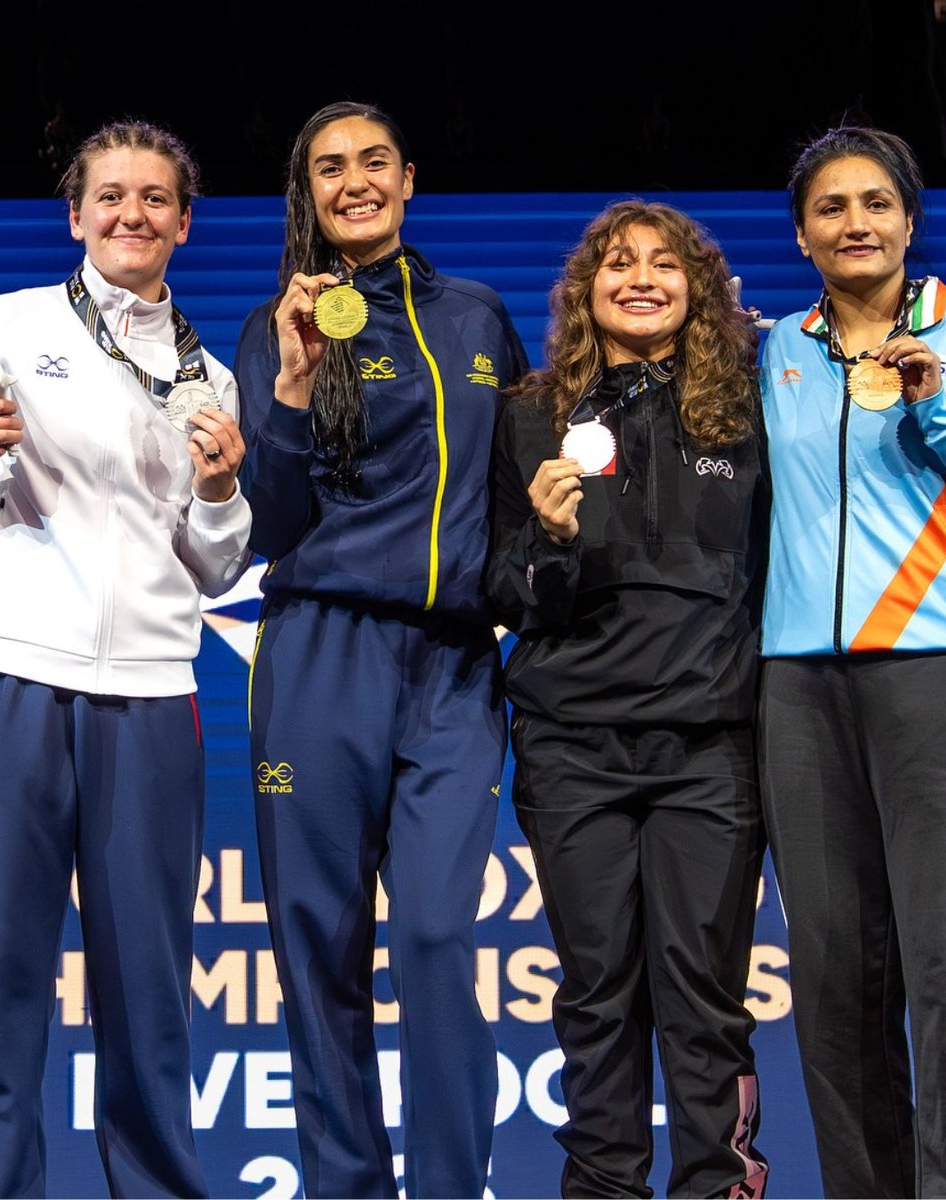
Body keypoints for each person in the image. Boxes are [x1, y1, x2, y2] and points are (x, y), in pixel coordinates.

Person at [234, 100, 528, 1199]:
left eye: (370, 162)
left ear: (408, 176)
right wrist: (297, 383)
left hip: (454, 672)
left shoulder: (480, 316)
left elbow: (513, 492)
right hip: (317, 660)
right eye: (326, 169)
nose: (352, 182)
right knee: (319, 957)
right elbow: (264, 522)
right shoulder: (280, 326)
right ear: (306, 195)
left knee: (443, 943)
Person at [0, 119, 251, 1198]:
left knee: (147, 986)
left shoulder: (212, 377)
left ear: (183, 224)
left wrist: (226, 488)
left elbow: (218, 568)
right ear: (76, 215)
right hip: (19, 676)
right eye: (111, 195)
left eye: (155, 198)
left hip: (150, 694)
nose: (131, 213)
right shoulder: (4, 327)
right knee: (1, 975)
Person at [485, 198, 770, 1199]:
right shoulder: (527, 412)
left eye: (664, 263)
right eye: (617, 264)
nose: (640, 278)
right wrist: (547, 542)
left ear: (698, 287)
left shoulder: (747, 406)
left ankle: (716, 1187)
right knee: (598, 997)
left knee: (704, 1002)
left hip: (709, 746)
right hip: (574, 747)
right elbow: (499, 589)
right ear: (584, 289)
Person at [758, 125, 946, 1198]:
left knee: (937, 960)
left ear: (910, 223)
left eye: (876, 203)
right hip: (798, 684)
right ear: (802, 235)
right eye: (832, 208)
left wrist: (935, 396)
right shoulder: (775, 348)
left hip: (927, 665)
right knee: (833, 970)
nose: (856, 223)